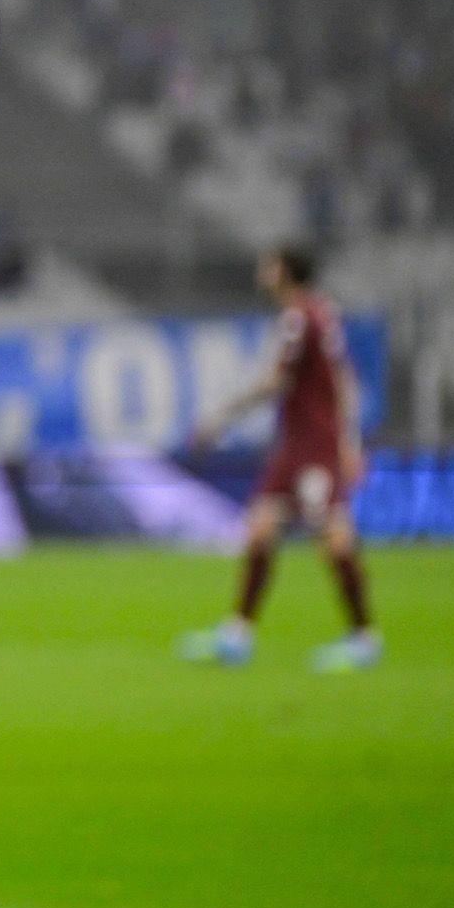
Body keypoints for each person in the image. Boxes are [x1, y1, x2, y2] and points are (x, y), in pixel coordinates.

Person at [181, 246, 379, 671]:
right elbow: (343, 378)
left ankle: (364, 638)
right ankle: (237, 635)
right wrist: (350, 440)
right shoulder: (323, 313)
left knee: (333, 536)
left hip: (311, 447)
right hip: (299, 445)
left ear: (285, 271)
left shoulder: (298, 318)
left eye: (269, 264)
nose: (262, 270)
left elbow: (275, 382)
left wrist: (220, 416)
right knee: (261, 527)